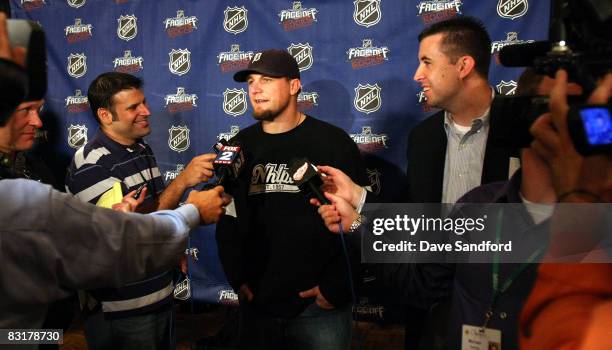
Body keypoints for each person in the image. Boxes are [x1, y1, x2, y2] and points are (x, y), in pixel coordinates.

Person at [215, 49, 367, 349]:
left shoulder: (333, 143)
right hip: (258, 304)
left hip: (319, 307)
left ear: (294, 86)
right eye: (251, 82)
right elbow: (227, 218)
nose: (255, 89)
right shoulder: (237, 146)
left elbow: (358, 223)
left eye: (267, 80)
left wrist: (335, 288)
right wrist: (237, 278)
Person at [64, 72, 216, 349]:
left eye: (143, 103)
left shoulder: (141, 149)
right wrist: (183, 181)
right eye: (133, 107)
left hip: (159, 293)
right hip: (120, 308)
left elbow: (155, 211)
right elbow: (125, 236)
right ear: (105, 115)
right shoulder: (90, 165)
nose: (146, 111)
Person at [520, 70, 612, 350]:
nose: (571, 127)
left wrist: (579, 201)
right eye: (556, 111)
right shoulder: (478, 207)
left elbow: (565, 337)